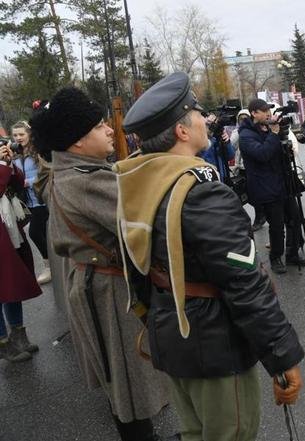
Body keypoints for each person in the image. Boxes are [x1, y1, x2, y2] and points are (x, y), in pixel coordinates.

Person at [117, 72, 305, 441]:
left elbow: (137, 269)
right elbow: (244, 281)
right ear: (182, 131)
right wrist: (282, 356)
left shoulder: (139, 183)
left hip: (173, 335)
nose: (206, 119)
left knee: (194, 433)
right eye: (198, 114)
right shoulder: (202, 192)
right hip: (214, 345)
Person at [30, 87, 169, 440]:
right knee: (127, 383)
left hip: (97, 284)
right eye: (98, 126)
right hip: (108, 292)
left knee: (120, 381)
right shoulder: (86, 180)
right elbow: (151, 222)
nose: (109, 129)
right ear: (77, 141)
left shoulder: (72, 173)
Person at [239, 98, 305, 273]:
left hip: (283, 183)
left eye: (269, 110)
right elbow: (263, 154)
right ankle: (275, 257)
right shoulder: (246, 135)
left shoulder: (268, 129)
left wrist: (286, 146)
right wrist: (274, 134)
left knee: (295, 219)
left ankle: (292, 254)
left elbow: (280, 154)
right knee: (277, 226)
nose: (268, 114)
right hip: (266, 187)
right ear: (254, 113)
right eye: (264, 111)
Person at [0, 143, 42, 363]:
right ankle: (3, 343)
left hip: (9, 228)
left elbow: (17, 184)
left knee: (12, 283)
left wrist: (9, 164)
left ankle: (18, 335)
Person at [11, 121, 52, 284]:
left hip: (41, 199)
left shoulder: (38, 151)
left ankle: (48, 266)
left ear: (29, 134)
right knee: (38, 233)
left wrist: (27, 182)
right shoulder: (15, 154)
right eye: (15, 135)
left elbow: (48, 173)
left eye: (21, 134)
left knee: (34, 232)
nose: (18, 138)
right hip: (27, 202)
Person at [200, 114, 235, 181]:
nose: (213, 126)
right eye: (208, 124)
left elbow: (230, 156)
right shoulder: (200, 141)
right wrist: (210, 138)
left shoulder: (217, 137)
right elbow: (203, 159)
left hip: (222, 178)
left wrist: (227, 142)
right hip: (210, 180)